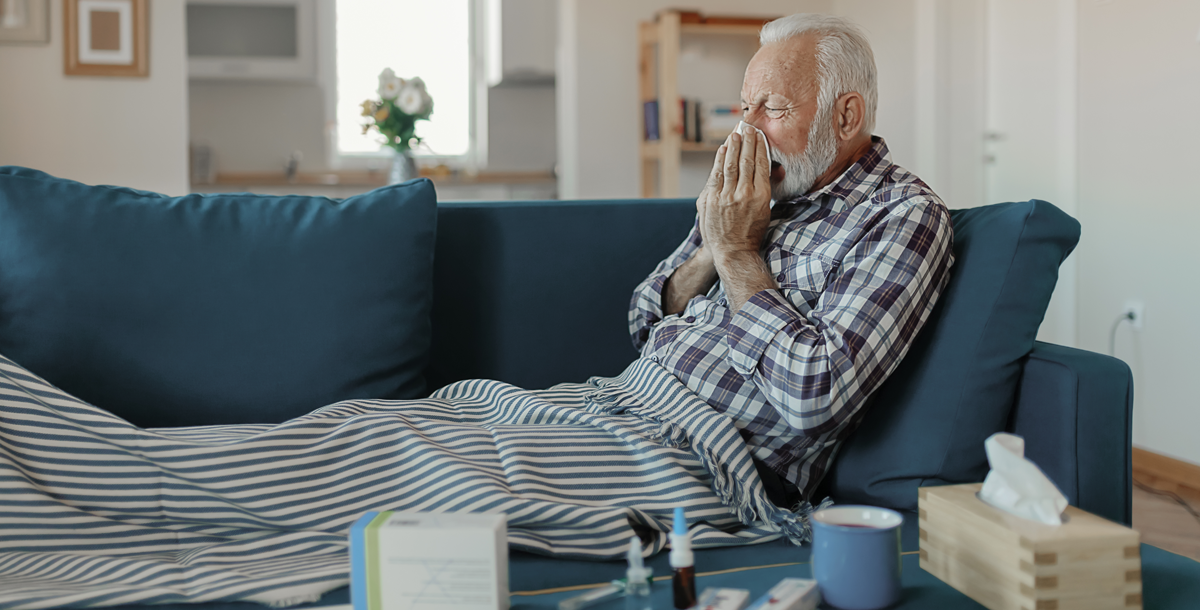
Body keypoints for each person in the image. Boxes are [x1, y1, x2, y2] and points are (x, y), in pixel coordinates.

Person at [629, 13, 955, 508]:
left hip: (700, 455)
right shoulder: (749, 194)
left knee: (468, 490)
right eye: (745, 108)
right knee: (464, 411)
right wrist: (714, 246)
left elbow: (816, 395)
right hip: (622, 401)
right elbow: (641, 321)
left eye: (773, 109)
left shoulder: (902, 215)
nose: (746, 132)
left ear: (846, 116)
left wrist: (738, 254)